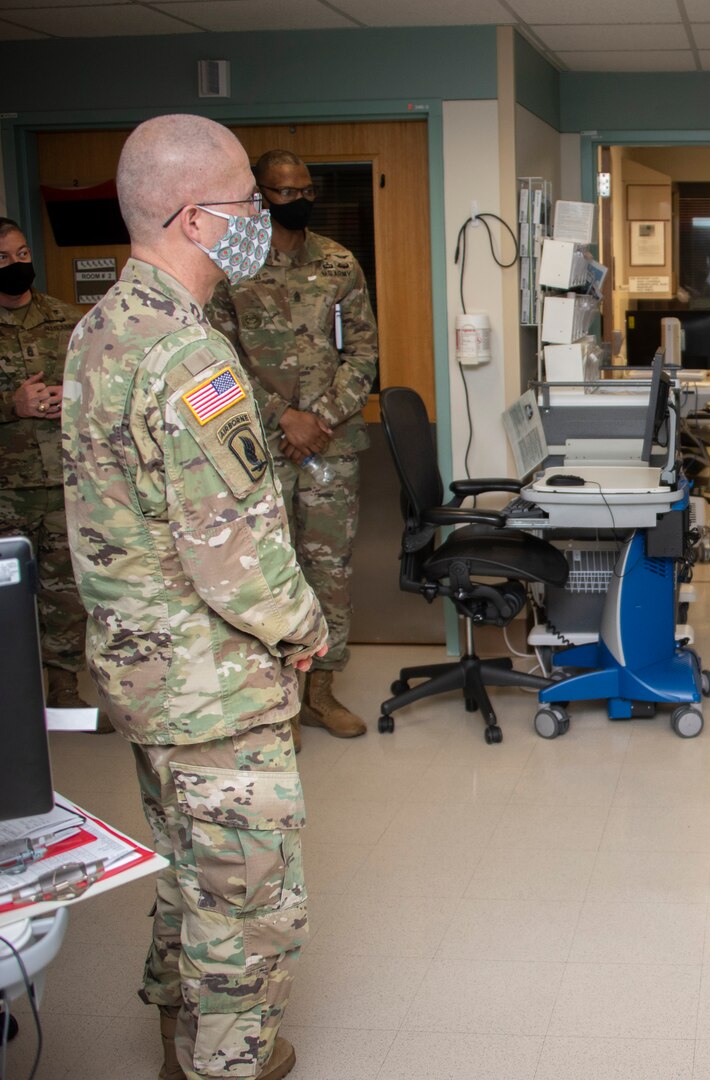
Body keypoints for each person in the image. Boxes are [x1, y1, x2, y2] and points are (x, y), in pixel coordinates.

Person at [63, 114, 328, 1080]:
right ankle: (227, 1061)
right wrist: (305, 627)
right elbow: (234, 557)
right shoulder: (189, 359)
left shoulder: (100, 330)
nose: (262, 214)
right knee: (244, 896)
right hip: (213, 682)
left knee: (187, 866)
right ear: (195, 219)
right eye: (248, 200)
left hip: (144, 668)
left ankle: (180, 1040)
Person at [207, 149, 378, 742]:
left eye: (307, 189)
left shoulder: (338, 263)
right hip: (259, 448)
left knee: (328, 571)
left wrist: (320, 419)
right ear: (259, 197)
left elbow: (364, 354)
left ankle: (322, 695)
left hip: (330, 447)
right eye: (286, 191)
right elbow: (217, 362)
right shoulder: (229, 268)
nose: (300, 199)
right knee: (267, 573)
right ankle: (275, 699)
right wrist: (284, 417)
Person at [0, 217, 90, 710]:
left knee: (64, 596)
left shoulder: (67, 319)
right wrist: (9, 405)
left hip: (61, 483)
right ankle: (12, 699)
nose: (16, 266)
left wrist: (68, 396)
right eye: (3, 259)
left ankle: (65, 693)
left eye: (22, 255)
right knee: (6, 599)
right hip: (5, 491)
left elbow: (98, 389)